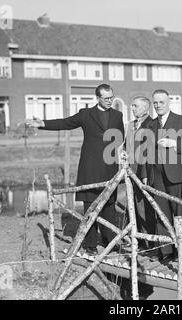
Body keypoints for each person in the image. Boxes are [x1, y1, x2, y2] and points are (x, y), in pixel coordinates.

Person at [26, 84, 124, 255]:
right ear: (98, 98)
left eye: (111, 98)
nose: (110, 101)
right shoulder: (86, 114)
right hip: (90, 166)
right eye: (106, 98)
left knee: (109, 205)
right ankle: (91, 244)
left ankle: (111, 242)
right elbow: (66, 122)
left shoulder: (117, 115)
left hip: (110, 166)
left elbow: (120, 137)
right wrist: (42, 123)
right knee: (90, 206)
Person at [144, 89, 182, 262]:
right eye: (155, 103)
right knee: (161, 214)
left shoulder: (181, 120)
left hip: (177, 174)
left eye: (161, 102)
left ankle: (181, 250)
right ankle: (166, 252)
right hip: (157, 176)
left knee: (179, 213)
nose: (158, 106)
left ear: (168, 101)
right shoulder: (150, 125)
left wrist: (174, 143)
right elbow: (146, 154)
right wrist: (146, 175)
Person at [124, 96, 155, 250]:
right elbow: (126, 146)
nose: (133, 108)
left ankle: (150, 241)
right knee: (133, 206)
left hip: (144, 173)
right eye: (132, 105)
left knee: (145, 206)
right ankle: (139, 240)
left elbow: (150, 152)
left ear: (145, 108)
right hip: (131, 171)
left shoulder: (152, 125)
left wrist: (146, 174)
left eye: (136, 106)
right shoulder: (130, 125)